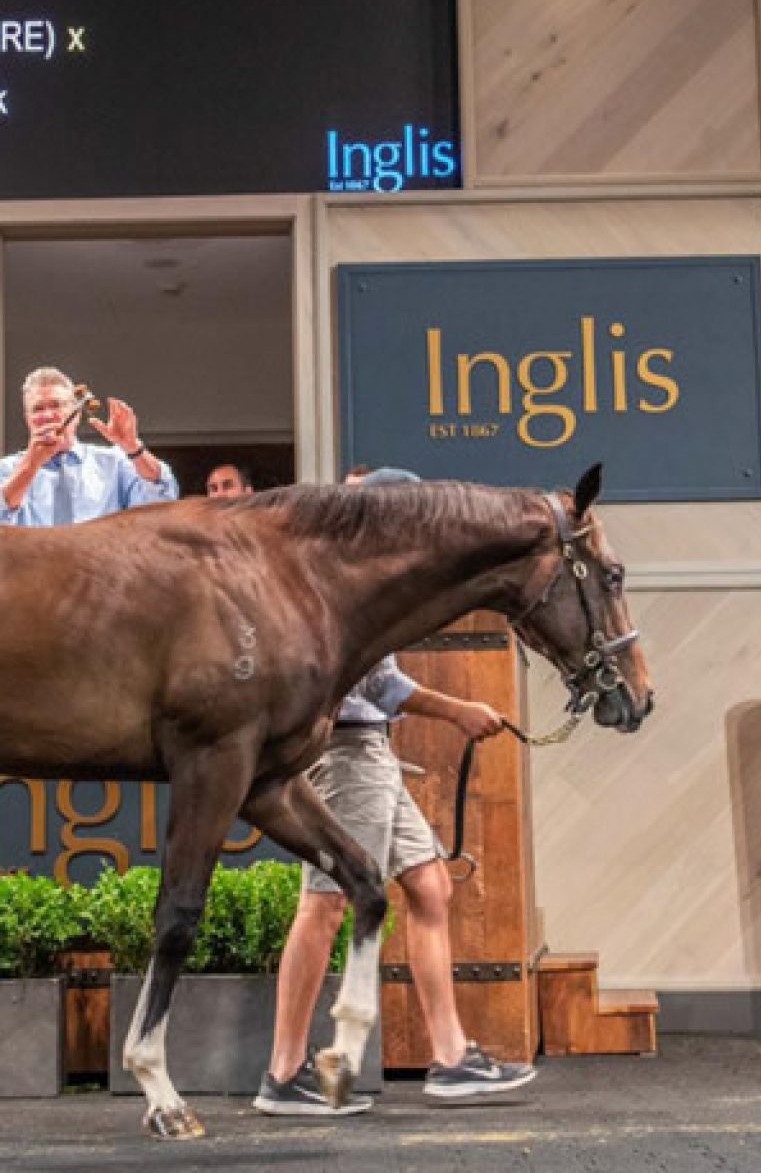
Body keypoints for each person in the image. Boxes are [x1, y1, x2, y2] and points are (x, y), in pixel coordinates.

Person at [255, 467, 536, 1117]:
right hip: (347, 751)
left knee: (430, 883)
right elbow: (378, 686)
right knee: (325, 904)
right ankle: (285, 1071)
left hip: (370, 749)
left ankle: (452, 1057)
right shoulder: (341, 576)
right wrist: (458, 709)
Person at [0, 367, 177, 526]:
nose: (48, 415)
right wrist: (31, 465)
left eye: (56, 405)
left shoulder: (114, 462)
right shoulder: (7, 468)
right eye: (38, 409)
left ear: (76, 414)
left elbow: (162, 499)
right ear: (28, 419)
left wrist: (133, 447)